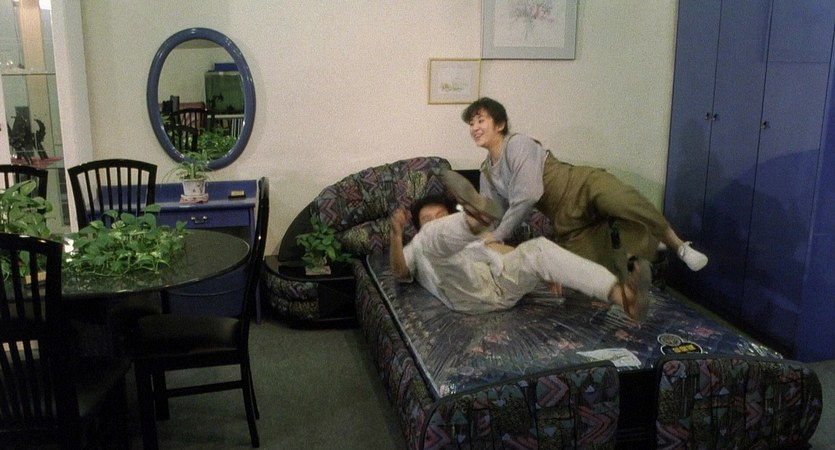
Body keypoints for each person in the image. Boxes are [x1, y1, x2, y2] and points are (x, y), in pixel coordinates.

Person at [460, 97, 708, 280]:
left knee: (621, 202)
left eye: (481, 120)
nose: (475, 128)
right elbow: (493, 212)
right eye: (471, 123)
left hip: (582, 185)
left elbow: (528, 194)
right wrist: (482, 240)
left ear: (500, 124)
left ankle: (679, 246)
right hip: (564, 218)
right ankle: (649, 244)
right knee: (582, 270)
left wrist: (499, 234)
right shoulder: (486, 172)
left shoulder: (517, 144)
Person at [388, 177, 652, 321]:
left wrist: (546, 269)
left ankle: (623, 297)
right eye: (427, 218)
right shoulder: (417, 245)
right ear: (416, 226)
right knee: (432, 238)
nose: (435, 220)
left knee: (537, 248)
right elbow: (400, 272)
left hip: (501, 283)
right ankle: (474, 218)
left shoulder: (478, 241)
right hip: (466, 293)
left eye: (440, 215)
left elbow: (503, 252)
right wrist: (396, 235)